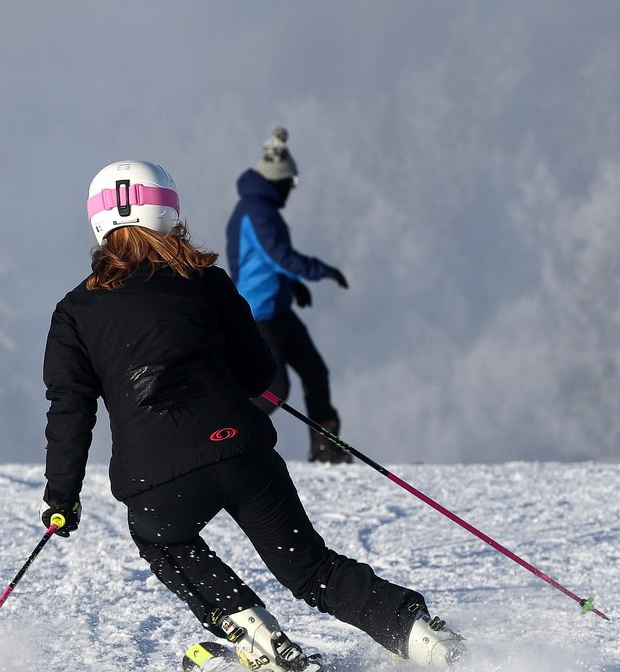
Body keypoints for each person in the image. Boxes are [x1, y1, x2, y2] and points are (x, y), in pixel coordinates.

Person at [42, 160, 466, 671]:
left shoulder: (75, 311)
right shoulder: (209, 282)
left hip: (159, 480)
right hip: (243, 454)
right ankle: (418, 634)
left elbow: (70, 410)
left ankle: (257, 636)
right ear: (167, 211)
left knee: (161, 538)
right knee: (310, 569)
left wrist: (62, 498)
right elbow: (259, 371)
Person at [225, 127, 351, 464]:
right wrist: (321, 271)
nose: (292, 189)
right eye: (291, 182)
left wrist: (291, 285)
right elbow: (279, 255)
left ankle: (324, 446)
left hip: (277, 309)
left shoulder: (259, 208)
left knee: (315, 372)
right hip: (259, 315)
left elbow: (266, 261)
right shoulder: (256, 211)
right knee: (275, 390)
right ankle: (224, 438)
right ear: (278, 181)